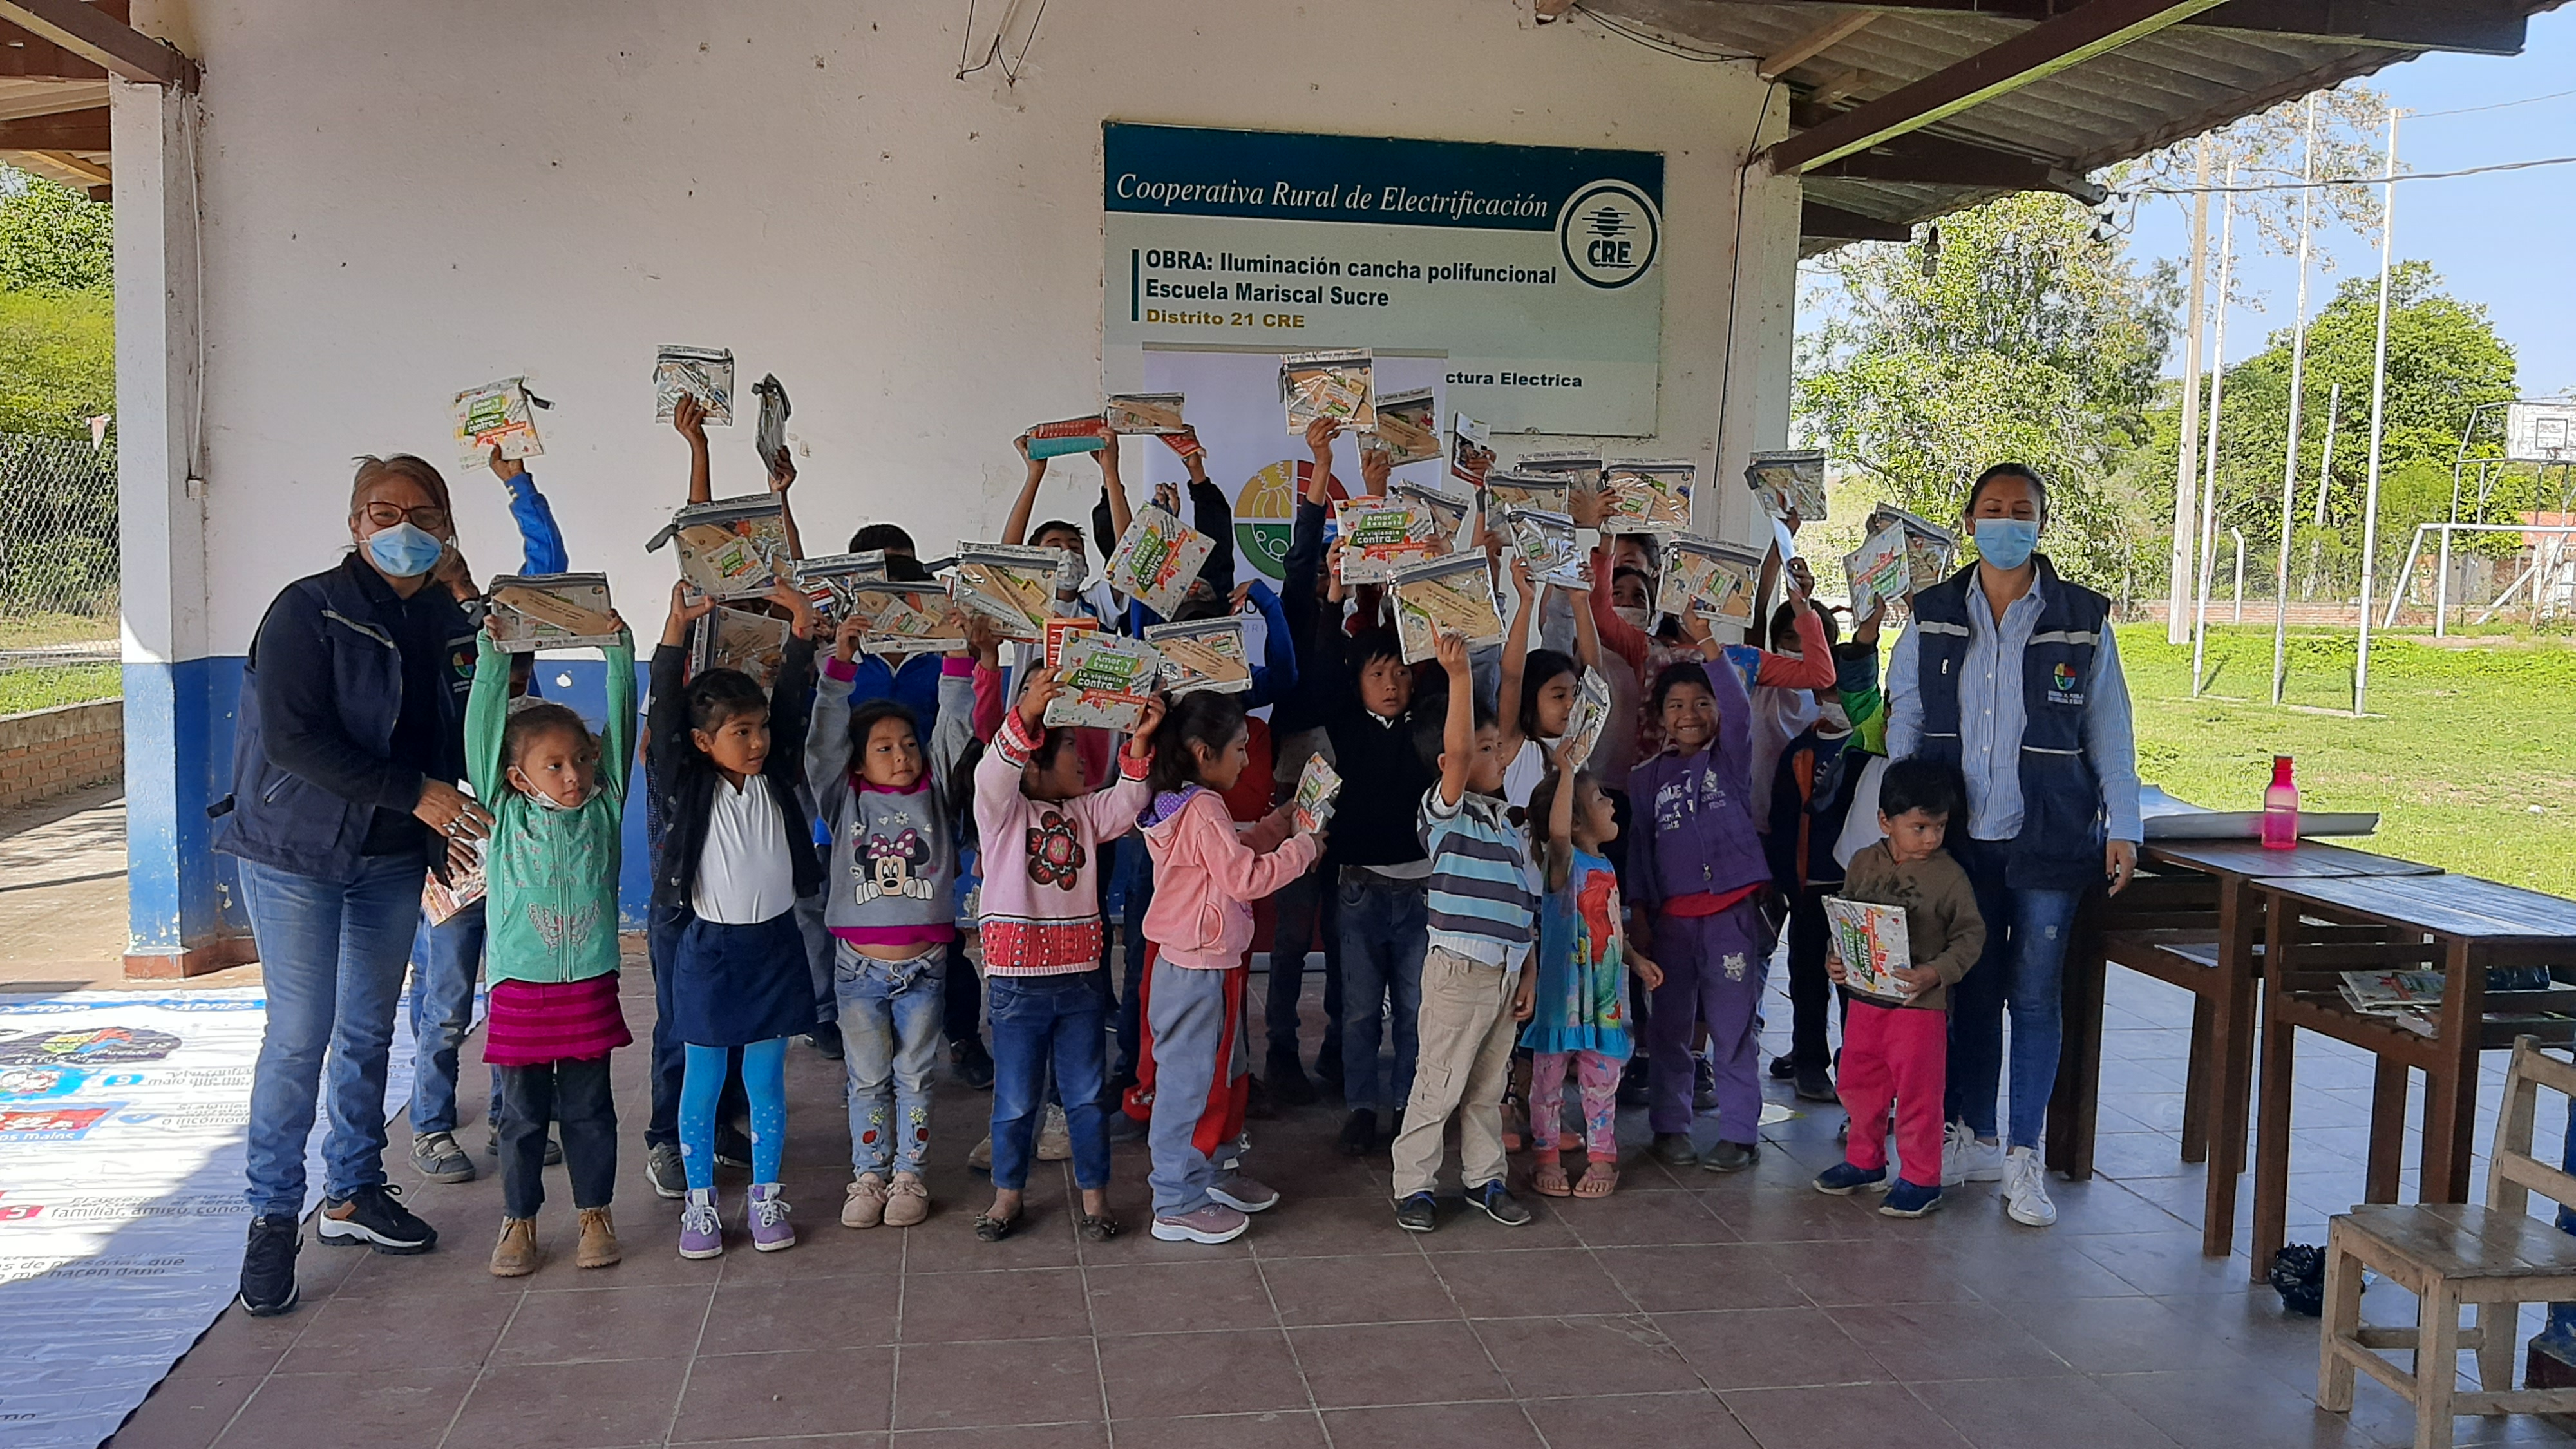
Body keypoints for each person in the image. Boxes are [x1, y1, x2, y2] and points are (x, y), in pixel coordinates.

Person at [218, 453, 489, 1316]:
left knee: (371, 1030)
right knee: (302, 1034)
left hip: (388, 858)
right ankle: (270, 1219)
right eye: (382, 509)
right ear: (354, 520)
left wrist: (446, 828)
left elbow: (456, 731)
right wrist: (418, 794)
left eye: (420, 511)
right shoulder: (309, 610)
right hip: (294, 850)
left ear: (445, 524)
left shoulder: (449, 617)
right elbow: (294, 738)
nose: (401, 526)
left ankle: (353, 1191)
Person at [1886, 462, 2141, 1229]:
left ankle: (2024, 1156)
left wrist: (2122, 825)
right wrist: (1900, 813)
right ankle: (1972, 1133)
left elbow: (2109, 729)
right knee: (1969, 989)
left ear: (2040, 523)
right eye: (1992, 509)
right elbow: (1904, 714)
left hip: (2049, 836)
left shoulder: (2080, 617)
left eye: (2021, 510)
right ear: (1969, 522)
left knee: (2033, 996)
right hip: (1957, 837)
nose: (2006, 521)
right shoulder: (1930, 612)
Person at [1625, 584, 1832, 1175]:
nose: (1689, 715)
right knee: (1668, 1030)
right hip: (1670, 926)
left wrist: (1708, 643)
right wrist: (1640, 914)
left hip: (1732, 918)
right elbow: (1640, 852)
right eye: (1676, 707)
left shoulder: (1731, 759)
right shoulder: (1645, 780)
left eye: (1701, 704)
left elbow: (1740, 709)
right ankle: (1670, 1127)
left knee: (1734, 1026)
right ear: (1659, 718)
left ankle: (1741, 1133)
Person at [407, 446, 570, 1186]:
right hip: (448, 853)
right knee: (443, 1004)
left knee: (509, 994)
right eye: (447, 580)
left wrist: (519, 486)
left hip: (518, 860)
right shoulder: (419, 651)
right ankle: (432, 1126)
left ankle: (512, 1119)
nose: (460, 588)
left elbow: (549, 566)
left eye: (461, 572)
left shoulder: (499, 627)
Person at [648, 581, 824, 1260]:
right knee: (704, 1077)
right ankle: (698, 1207)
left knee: (765, 1081)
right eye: (738, 733)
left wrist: (801, 624)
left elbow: (794, 703)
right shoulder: (685, 783)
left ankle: (765, 1196)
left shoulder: (775, 775)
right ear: (701, 741)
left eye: (760, 730)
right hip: (710, 951)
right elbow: (663, 712)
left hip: (774, 947)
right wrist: (674, 629)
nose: (756, 742)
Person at [467, 612, 637, 1275]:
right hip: (519, 983)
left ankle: (595, 1212)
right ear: (517, 778)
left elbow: (621, 726)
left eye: (582, 760)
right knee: (522, 1116)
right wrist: (491, 652)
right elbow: (485, 732)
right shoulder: (502, 814)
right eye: (555, 766)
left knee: (591, 1108)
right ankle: (520, 1220)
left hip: (588, 979)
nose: (574, 775)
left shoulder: (604, 803)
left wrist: (617, 649)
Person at [970, 668, 1159, 1242]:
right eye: (1071, 748)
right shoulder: (1002, 816)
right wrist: (1026, 713)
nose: (1083, 759)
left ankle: (1096, 1198)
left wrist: (1142, 740)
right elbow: (991, 775)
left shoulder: (1085, 815)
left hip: (1079, 982)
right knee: (1017, 1099)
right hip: (1017, 984)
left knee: (1083, 1096)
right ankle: (1008, 1196)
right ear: (1032, 762)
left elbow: (1129, 801)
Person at [1134, 691, 1321, 1244]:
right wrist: (1304, 849)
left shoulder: (1180, 802)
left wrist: (1278, 825)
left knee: (1219, 1073)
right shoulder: (1204, 807)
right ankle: (1175, 1199)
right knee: (1189, 1085)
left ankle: (1210, 1173)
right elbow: (1243, 879)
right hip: (1196, 968)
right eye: (1238, 749)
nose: (1246, 760)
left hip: (1205, 962)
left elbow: (1230, 855)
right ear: (1201, 751)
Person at [808, 607, 971, 1231]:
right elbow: (822, 740)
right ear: (858, 762)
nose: (901, 755)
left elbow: (953, 727)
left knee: (915, 1074)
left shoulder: (937, 794)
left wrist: (956, 651)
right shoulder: (842, 794)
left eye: (908, 745)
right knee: (868, 1078)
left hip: (924, 969)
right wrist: (839, 666)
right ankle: (868, 1175)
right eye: (884, 747)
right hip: (858, 971)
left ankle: (911, 1175)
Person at [1388, 630, 1542, 1233]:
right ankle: (1415, 1187)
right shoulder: (1445, 815)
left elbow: (1527, 908)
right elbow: (1456, 752)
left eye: (1498, 746)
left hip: (1505, 975)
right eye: (1485, 747)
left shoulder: (1508, 824)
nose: (1499, 755)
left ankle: (1486, 1179)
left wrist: (1527, 970)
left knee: (1487, 1087)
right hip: (1459, 973)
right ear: (1451, 763)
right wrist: (1458, 679)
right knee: (1439, 1084)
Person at [1309, 556, 1442, 1159]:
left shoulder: (1428, 729)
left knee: (1415, 1011)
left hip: (1420, 891)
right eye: (1377, 673)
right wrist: (1335, 593)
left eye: (1399, 673)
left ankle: (1411, 1107)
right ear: (1357, 682)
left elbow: (1444, 665)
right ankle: (1363, 1107)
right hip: (1359, 890)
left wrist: (1431, 569)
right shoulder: (1346, 725)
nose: (1390, 684)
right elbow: (1323, 664)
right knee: (1360, 1011)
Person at [1815, 757, 1985, 1218]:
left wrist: (1937, 972)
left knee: (1918, 1093)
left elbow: (1971, 935)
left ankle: (1920, 1178)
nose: (1931, 839)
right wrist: (1837, 957)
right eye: (1919, 827)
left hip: (1919, 1006)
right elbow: (1846, 917)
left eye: (1940, 827)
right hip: (1865, 1001)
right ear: (1885, 822)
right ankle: (1864, 1161)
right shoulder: (1863, 862)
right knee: (1858, 1081)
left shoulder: (1949, 876)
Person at [1522, 759, 1662, 1199]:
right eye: (1601, 798)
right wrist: (1566, 771)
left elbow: (1609, 931)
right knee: (1546, 1086)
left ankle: (1603, 1155)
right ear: (1577, 819)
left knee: (1601, 1084)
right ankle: (1547, 1157)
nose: (1612, 804)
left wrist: (1635, 960)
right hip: (1559, 1005)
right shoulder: (1562, 865)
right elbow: (1558, 833)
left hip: (1603, 1005)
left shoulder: (1605, 867)